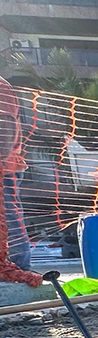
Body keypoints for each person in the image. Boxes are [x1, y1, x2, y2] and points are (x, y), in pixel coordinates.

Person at [0, 75, 39, 287]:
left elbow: (5, 124)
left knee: (8, 219)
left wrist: (1, 161)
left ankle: (19, 268)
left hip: (5, 169)